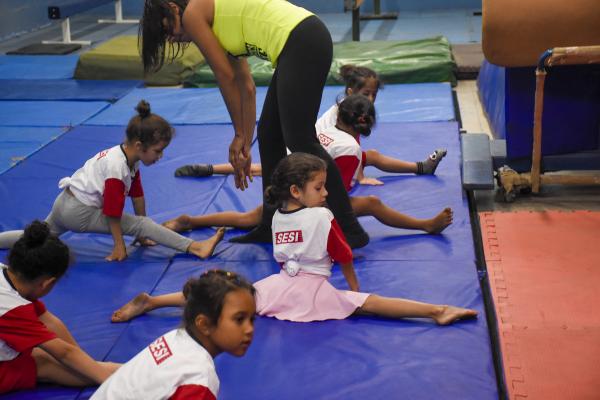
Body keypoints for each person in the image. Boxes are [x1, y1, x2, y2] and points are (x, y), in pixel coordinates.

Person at [112, 154, 476, 325]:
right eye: (320, 188)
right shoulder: (322, 216)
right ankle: (436, 310)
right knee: (369, 302)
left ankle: (154, 301)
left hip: (281, 282)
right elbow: (343, 254)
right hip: (307, 286)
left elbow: (286, 254)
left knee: (223, 299)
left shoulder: (278, 216)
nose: (325, 194)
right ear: (297, 191)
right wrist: (352, 288)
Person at [139, 0, 369, 248]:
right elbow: (246, 87)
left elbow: (224, 75)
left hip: (303, 39)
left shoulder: (194, 13)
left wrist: (239, 134)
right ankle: (270, 224)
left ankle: (351, 228)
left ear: (174, 10)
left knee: (300, 139)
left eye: (167, 30)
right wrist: (245, 142)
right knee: (269, 136)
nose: (171, 39)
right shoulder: (219, 25)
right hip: (300, 41)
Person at [163, 95, 453, 235]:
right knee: (373, 203)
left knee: (249, 217)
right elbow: (335, 191)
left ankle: (192, 220)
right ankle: (425, 225)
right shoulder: (350, 149)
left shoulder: (332, 115)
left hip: (290, 169)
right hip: (300, 191)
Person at [0, 100, 224, 261]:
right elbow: (112, 211)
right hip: (78, 212)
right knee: (143, 224)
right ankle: (195, 248)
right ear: (139, 146)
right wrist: (120, 245)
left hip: (63, 203)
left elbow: (137, 194)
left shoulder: (127, 156)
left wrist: (141, 234)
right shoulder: (117, 167)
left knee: (35, 237)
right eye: (157, 151)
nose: (160, 157)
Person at [175, 64, 447, 180]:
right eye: (367, 94)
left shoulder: (344, 110)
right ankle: (210, 168)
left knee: (260, 169)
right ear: (351, 93)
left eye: (374, 95)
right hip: (306, 155)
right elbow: (351, 148)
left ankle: (421, 167)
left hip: (313, 150)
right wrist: (360, 177)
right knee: (260, 169)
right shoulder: (348, 116)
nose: (371, 99)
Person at [92, 270, 255, 399]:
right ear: (204, 324)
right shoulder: (199, 379)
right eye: (239, 319)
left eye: (252, 319)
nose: (249, 329)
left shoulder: (175, 338)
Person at [0, 221, 119, 394]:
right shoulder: (14, 309)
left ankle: (131, 373)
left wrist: (87, 362)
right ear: (48, 283)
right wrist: (113, 383)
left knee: (75, 364)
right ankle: (133, 378)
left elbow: (48, 320)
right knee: (45, 364)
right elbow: (64, 353)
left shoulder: (9, 277)